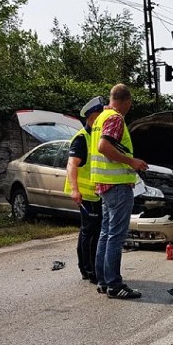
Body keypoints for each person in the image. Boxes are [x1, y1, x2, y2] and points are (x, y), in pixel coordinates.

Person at [91, 84, 148, 299]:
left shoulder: (99, 118)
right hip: (116, 186)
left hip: (104, 185)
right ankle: (114, 285)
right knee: (115, 236)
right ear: (127, 101)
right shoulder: (115, 118)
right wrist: (131, 161)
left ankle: (104, 282)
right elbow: (104, 147)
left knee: (106, 234)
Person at [64, 95, 105, 282]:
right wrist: (75, 189)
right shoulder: (81, 139)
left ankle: (89, 268)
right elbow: (72, 165)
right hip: (85, 194)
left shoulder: (95, 136)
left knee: (91, 231)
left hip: (96, 194)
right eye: (99, 115)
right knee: (90, 232)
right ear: (90, 117)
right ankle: (89, 270)